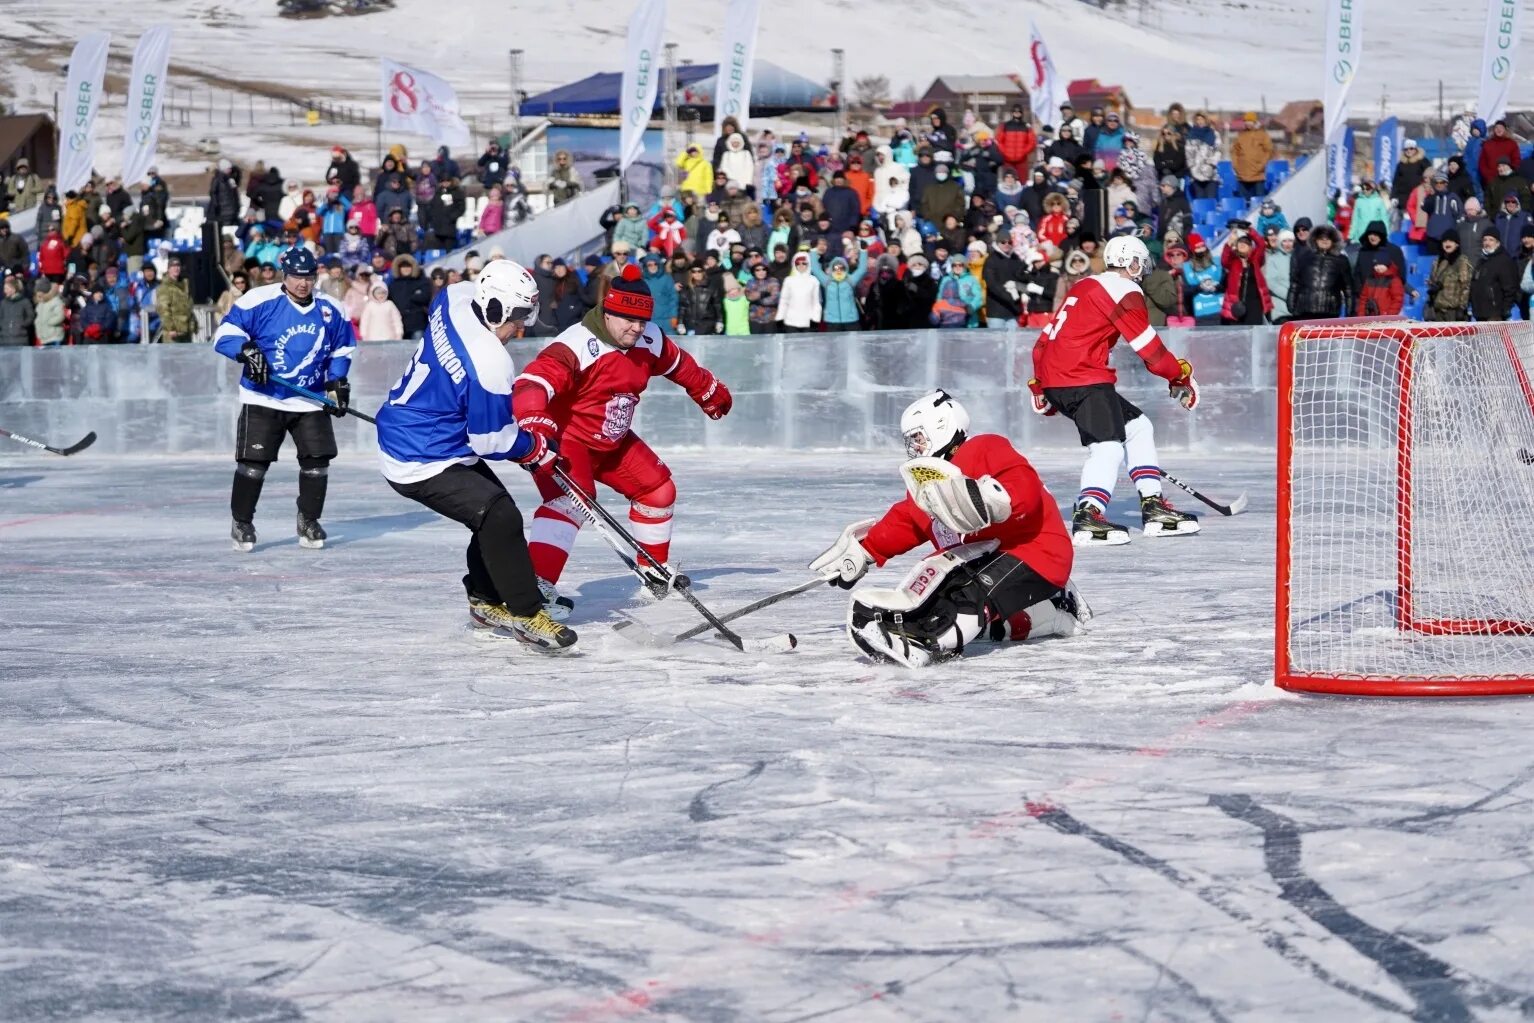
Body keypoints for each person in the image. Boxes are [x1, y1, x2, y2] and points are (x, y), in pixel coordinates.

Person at [373, 260, 575, 649]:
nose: (520, 330)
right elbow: (491, 441)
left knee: (492, 517)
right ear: (494, 308)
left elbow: (455, 297)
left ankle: (484, 599)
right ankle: (527, 614)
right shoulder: (489, 360)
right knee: (500, 516)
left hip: (423, 433)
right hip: (420, 456)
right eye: (517, 319)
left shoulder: (456, 297)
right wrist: (535, 447)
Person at [809, 390, 1088, 668]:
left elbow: (1023, 484)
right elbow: (906, 520)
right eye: (911, 442)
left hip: (1035, 553)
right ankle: (1055, 609)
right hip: (984, 561)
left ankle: (926, 641)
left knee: (968, 594)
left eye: (918, 439)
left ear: (940, 428)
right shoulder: (931, 484)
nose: (914, 448)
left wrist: (998, 499)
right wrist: (865, 550)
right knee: (945, 597)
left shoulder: (985, 448)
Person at [511, 264, 733, 608]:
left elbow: (678, 364)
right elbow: (531, 383)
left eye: (642, 320)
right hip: (567, 441)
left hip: (612, 439)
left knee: (658, 490)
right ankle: (533, 589)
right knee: (571, 501)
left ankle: (653, 572)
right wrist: (535, 424)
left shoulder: (649, 338)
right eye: (628, 320)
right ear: (608, 312)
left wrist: (706, 387)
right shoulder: (576, 345)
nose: (636, 328)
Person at [1030, 235, 1200, 546]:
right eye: (1141, 263)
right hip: (1082, 377)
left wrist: (1042, 385)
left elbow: (1043, 341)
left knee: (1138, 427)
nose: (1142, 269)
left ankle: (1153, 506)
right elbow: (1148, 349)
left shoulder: (1083, 285)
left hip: (1062, 377)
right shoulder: (1125, 291)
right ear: (1133, 262)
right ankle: (1089, 516)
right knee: (1107, 447)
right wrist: (1179, 376)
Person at [212, 247, 356, 552]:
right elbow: (224, 334)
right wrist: (247, 351)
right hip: (264, 397)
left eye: (308, 276)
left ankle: (309, 519)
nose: (303, 283)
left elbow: (342, 349)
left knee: (317, 463)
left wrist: (336, 383)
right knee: (254, 464)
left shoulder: (332, 309)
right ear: (284, 275)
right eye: (296, 276)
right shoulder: (259, 301)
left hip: (310, 399)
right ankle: (242, 521)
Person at [1471, 228, 1520, 321]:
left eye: (1491, 240)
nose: (1487, 243)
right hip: (1479, 313)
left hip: (1495, 314)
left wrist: (1506, 309)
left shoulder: (1504, 261)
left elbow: (1510, 287)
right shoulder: (1481, 261)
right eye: (1485, 240)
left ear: (1497, 243)